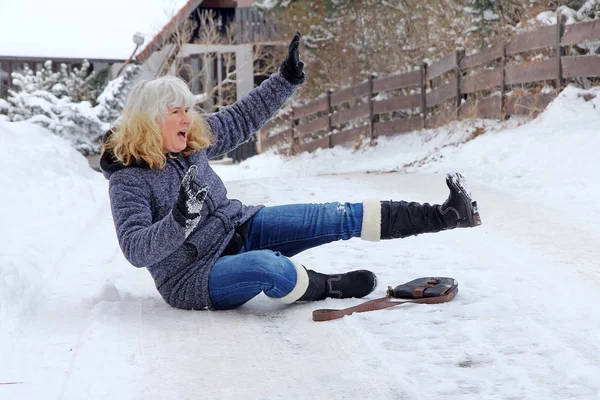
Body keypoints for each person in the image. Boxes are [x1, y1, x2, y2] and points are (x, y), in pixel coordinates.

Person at [100, 32, 482, 311]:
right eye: (177, 112)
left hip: (241, 227)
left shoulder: (191, 141)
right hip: (195, 275)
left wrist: (284, 80)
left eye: (187, 109)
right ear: (151, 122)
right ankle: (328, 286)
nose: (188, 118)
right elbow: (136, 249)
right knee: (267, 267)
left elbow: (243, 116)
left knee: (334, 215)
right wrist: (180, 219)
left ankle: (445, 215)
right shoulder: (128, 178)